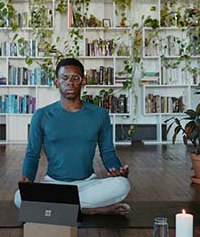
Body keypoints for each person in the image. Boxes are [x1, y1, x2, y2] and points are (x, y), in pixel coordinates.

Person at [14, 58, 130, 215]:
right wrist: (27, 178)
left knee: (122, 185)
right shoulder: (41, 115)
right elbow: (32, 154)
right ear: (56, 82)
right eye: (64, 78)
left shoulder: (99, 114)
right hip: (53, 185)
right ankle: (89, 210)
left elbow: (108, 152)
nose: (70, 82)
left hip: (87, 184)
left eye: (75, 78)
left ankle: (63, 209)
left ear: (83, 81)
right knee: (20, 197)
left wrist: (117, 170)